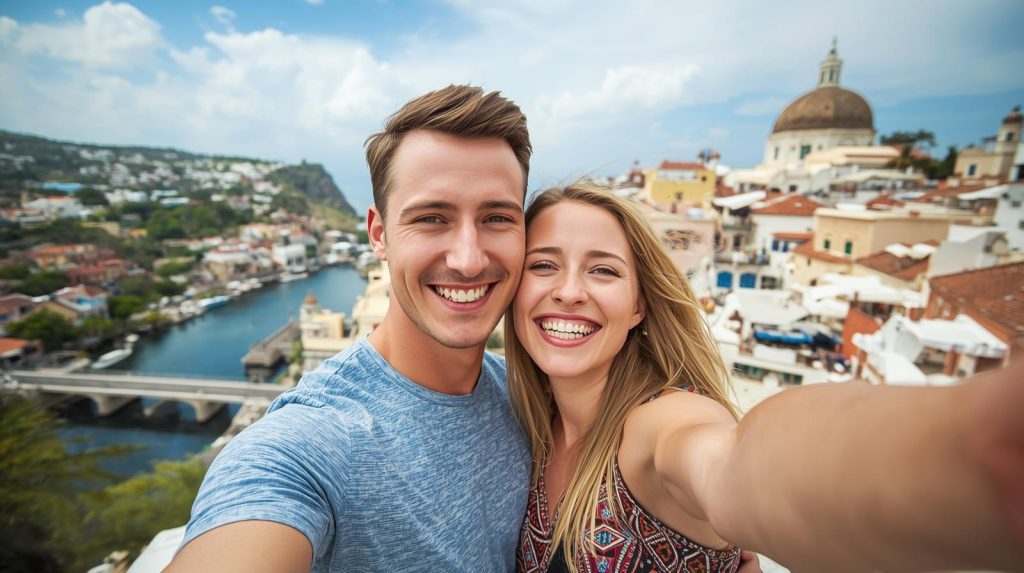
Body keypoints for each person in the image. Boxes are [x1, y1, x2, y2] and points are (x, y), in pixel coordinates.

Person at [505, 181, 1024, 573]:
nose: (569, 291)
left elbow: (733, 464)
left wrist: (967, 448)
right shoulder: (528, 422)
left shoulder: (657, 424)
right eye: (544, 265)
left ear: (639, 305)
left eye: (603, 270)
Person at [167, 85, 535, 572]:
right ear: (379, 234)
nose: (468, 260)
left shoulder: (527, 395)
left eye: (496, 217)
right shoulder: (310, 445)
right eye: (430, 218)